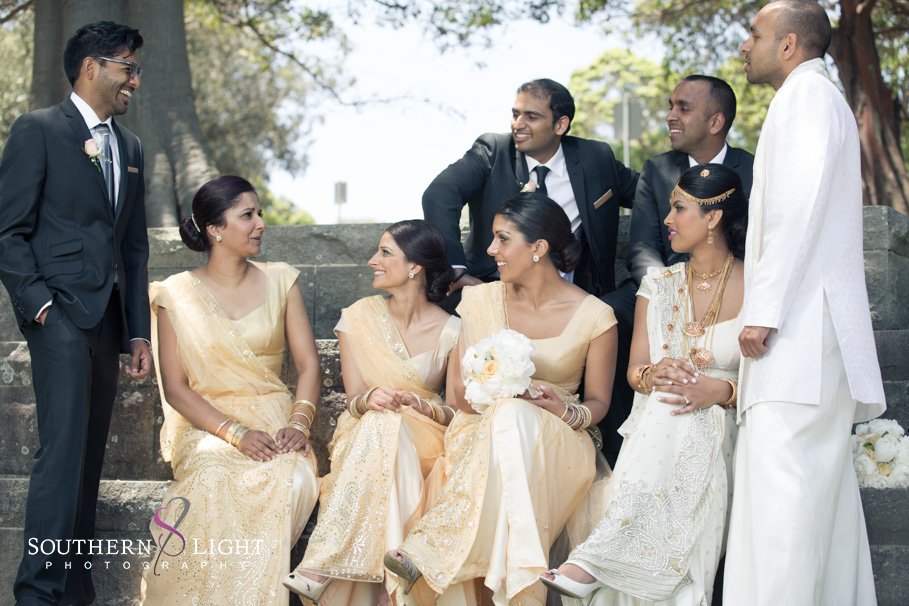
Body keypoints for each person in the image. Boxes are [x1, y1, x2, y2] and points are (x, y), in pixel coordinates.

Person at [726, 2, 886, 604]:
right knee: (822, 504)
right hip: (809, 332)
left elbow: (796, 212)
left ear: (789, 44)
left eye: (755, 34)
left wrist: (762, 311)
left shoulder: (807, 99)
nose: (745, 45)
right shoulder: (814, 98)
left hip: (796, 333)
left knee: (782, 502)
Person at [385, 193, 618, 605]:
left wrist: (565, 409)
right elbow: (458, 394)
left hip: (561, 442)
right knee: (507, 414)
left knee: (512, 415)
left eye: (502, 239)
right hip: (478, 433)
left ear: (539, 248)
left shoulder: (596, 315)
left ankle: (435, 548)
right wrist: (496, 394)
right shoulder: (478, 300)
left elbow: (599, 402)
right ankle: (525, 574)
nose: (491, 250)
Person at [541, 164, 748, 605]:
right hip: (660, 421)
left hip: (732, 424)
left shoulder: (759, 286)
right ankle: (606, 564)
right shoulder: (658, 284)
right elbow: (636, 372)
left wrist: (721, 392)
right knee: (671, 406)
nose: (666, 221)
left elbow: (779, 378)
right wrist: (658, 374)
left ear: (713, 217)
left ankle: (594, 561)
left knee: (694, 414)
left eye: (678, 209)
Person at [0, 22, 151, 604]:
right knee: (61, 453)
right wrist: (38, 305)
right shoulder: (37, 130)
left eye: (136, 70)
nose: (133, 80)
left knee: (88, 459)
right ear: (91, 67)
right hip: (58, 313)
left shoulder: (131, 148)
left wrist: (137, 331)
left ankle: (75, 590)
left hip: (109, 321)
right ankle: (36, 592)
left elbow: (132, 248)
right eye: (126, 68)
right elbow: (9, 233)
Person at [140, 176, 321, 605]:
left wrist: (299, 423)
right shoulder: (175, 294)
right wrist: (235, 434)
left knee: (288, 480)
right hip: (208, 426)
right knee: (212, 480)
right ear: (215, 229)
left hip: (277, 421)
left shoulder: (281, 279)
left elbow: (309, 364)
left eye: (259, 214)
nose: (260, 224)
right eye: (247, 215)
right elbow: (178, 389)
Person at [283, 219, 460, 605]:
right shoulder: (358, 316)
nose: (371, 261)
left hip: (425, 434)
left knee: (392, 427)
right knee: (383, 425)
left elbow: (458, 411)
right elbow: (354, 397)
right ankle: (389, 589)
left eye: (384, 252)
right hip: (363, 429)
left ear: (415, 266)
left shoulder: (453, 330)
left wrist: (420, 403)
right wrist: (369, 400)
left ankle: (322, 561)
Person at [604, 74, 754, 468]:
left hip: (732, 274)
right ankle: (616, 442)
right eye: (670, 105)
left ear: (716, 121)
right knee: (606, 316)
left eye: (683, 108)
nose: (670, 115)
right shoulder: (656, 168)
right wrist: (666, 291)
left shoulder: (753, 169)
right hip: (666, 275)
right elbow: (640, 245)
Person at [423, 78, 638, 300]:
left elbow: (648, 192)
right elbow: (440, 194)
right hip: (495, 292)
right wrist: (455, 269)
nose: (518, 124)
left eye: (531, 116)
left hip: (575, 299)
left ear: (560, 125)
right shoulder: (492, 151)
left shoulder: (595, 159)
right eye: (516, 114)